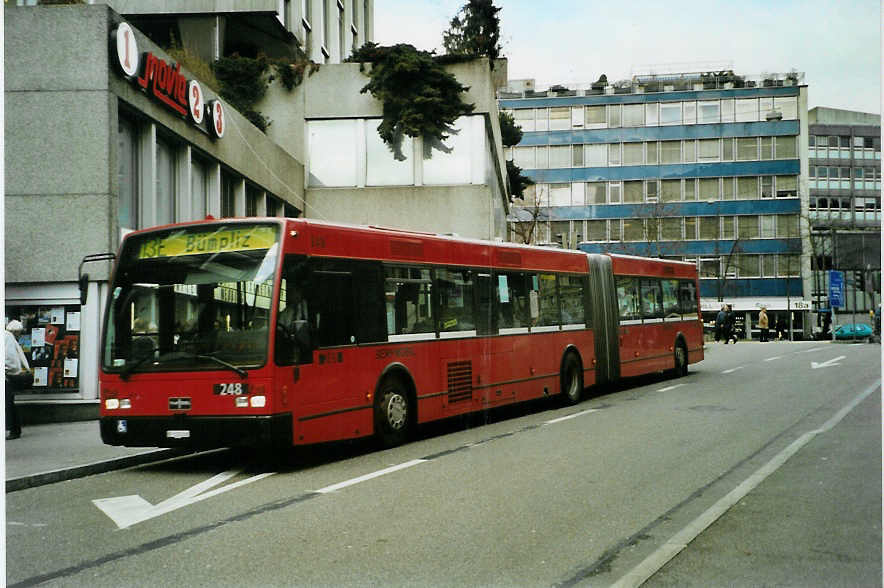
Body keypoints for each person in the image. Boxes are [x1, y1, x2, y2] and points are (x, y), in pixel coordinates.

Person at [5, 320, 31, 440]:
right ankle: (15, 429)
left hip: (6, 377)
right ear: (15, 331)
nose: (20, 335)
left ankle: (13, 430)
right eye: (19, 333)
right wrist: (15, 371)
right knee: (9, 403)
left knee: (8, 403)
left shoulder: (7, 337)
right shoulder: (9, 338)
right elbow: (10, 358)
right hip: (7, 376)